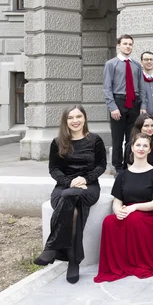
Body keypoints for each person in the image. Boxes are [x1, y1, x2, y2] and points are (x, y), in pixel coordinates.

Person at [35, 105, 106, 284]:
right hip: (64, 186)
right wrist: (69, 182)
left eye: (78, 117)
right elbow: (54, 169)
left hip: (88, 186)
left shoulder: (95, 140)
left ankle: (51, 248)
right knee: (73, 208)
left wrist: (85, 179)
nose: (75, 121)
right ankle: (73, 261)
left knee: (70, 197)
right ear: (65, 121)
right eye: (71, 118)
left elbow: (101, 166)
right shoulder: (57, 142)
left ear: (84, 119)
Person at [95, 134, 153, 282]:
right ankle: (119, 263)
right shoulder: (123, 175)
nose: (141, 149)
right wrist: (118, 210)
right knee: (109, 222)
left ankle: (137, 262)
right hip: (129, 211)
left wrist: (134, 207)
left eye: (145, 146)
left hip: (151, 214)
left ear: (149, 150)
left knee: (135, 219)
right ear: (132, 148)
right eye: (138, 145)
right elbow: (117, 201)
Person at [103, 34, 144, 173]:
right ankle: (118, 166)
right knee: (117, 138)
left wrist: (142, 106)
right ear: (118, 46)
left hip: (134, 102)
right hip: (118, 101)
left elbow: (141, 87)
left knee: (132, 136)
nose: (128, 46)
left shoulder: (137, 65)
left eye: (130, 44)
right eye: (125, 44)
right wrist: (112, 107)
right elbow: (107, 88)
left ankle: (129, 163)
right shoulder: (111, 64)